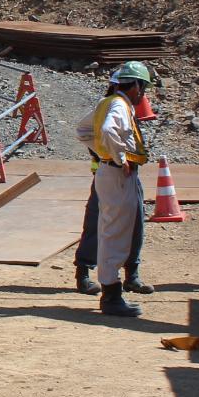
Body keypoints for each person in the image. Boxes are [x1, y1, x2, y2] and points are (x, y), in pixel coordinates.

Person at [75, 61, 153, 319]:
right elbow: (108, 130)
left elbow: (83, 130)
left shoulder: (105, 103)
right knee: (116, 234)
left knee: (110, 230)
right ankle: (111, 294)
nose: (143, 94)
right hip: (117, 174)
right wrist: (120, 158)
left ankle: (112, 290)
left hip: (106, 172)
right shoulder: (119, 105)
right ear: (136, 86)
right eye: (143, 87)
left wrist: (103, 153)